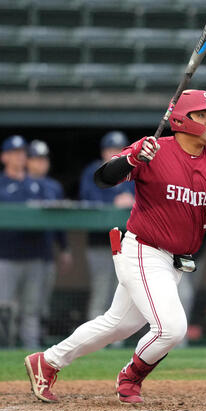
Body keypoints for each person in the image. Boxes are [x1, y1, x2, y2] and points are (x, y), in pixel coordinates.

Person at [25, 89, 206, 404]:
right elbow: (103, 179)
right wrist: (132, 158)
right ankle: (130, 378)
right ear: (181, 119)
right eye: (202, 115)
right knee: (172, 328)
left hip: (173, 260)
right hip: (143, 249)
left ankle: (47, 362)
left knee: (116, 325)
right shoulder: (153, 149)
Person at [0, 135, 48, 349]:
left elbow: (48, 207)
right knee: (3, 306)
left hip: (34, 254)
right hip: (5, 254)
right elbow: (2, 201)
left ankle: (31, 352)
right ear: (4, 157)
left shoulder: (37, 183)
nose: (19, 157)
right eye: (14, 153)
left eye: (22, 153)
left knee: (31, 309)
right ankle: (1, 351)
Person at [79, 131, 136, 322]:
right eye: (111, 149)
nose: (115, 153)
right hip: (100, 242)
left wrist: (132, 201)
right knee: (101, 292)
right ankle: (92, 341)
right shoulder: (93, 171)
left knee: (122, 294)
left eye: (119, 149)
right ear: (104, 151)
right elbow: (89, 200)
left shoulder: (132, 171)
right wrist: (114, 201)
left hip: (127, 244)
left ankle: (117, 342)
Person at [26, 140, 73, 334]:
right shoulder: (21, 182)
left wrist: (64, 248)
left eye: (43, 159)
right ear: (27, 161)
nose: (40, 163)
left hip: (45, 253)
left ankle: (33, 343)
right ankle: (10, 345)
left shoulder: (53, 186)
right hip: (18, 252)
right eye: (36, 159)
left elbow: (59, 222)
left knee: (39, 305)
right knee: (19, 305)